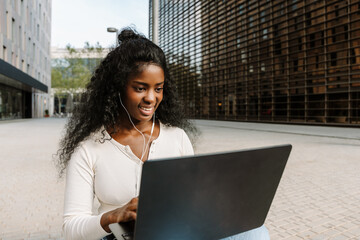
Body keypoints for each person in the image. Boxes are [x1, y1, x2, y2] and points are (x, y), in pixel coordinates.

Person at [56, 28, 270, 240]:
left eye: (158, 88)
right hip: (124, 237)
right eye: (140, 88)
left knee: (256, 232)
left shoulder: (177, 137)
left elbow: (193, 200)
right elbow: (71, 228)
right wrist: (113, 216)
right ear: (117, 88)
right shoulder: (88, 148)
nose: (151, 98)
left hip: (178, 231)